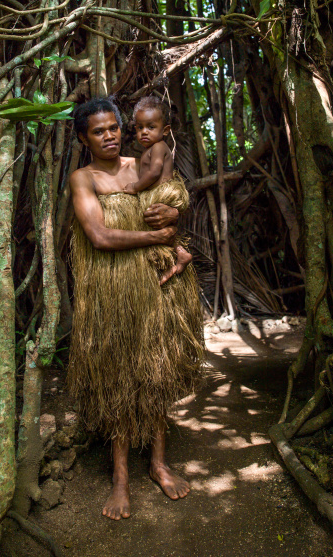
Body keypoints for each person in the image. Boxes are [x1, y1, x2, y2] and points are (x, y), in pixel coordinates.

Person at [67, 97, 204, 521]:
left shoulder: (143, 163)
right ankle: (121, 478)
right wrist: (157, 238)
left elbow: (173, 199)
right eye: (98, 130)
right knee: (119, 375)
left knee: (157, 372)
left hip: (159, 284)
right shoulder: (82, 179)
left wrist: (175, 214)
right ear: (82, 138)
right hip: (113, 291)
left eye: (113, 127)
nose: (109, 136)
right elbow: (100, 237)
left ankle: (159, 464)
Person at [123, 95, 193, 285]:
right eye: (139, 127)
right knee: (162, 229)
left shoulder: (159, 146)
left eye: (151, 127)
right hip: (158, 192)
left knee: (157, 224)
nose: (144, 132)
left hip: (162, 192)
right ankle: (180, 253)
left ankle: (180, 253)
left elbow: (154, 173)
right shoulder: (150, 149)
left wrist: (135, 187)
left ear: (165, 130)